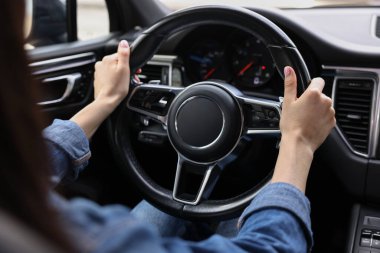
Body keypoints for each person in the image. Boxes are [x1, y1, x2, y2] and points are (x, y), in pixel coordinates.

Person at [0, 1, 335, 252]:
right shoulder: (93, 239)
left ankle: (220, 168)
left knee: (181, 205)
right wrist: (298, 141)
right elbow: (269, 247)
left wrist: (103, 101)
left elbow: (33, 165)